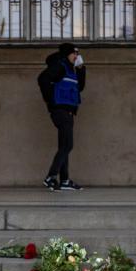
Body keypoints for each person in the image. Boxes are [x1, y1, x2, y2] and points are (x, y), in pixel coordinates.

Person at [38, 42, 86, 190]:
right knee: (67, 145)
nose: (77, 56)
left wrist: (81, 69)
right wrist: (50, 100)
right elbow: (42, 79)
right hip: (60, 111)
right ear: (67, 54)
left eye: (78, 54)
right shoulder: (59, 66)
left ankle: (64, 180)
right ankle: (51, 177)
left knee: (64, 146)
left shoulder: (71, 69)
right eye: (74, 53)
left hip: (68, 112)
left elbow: (80, 87)